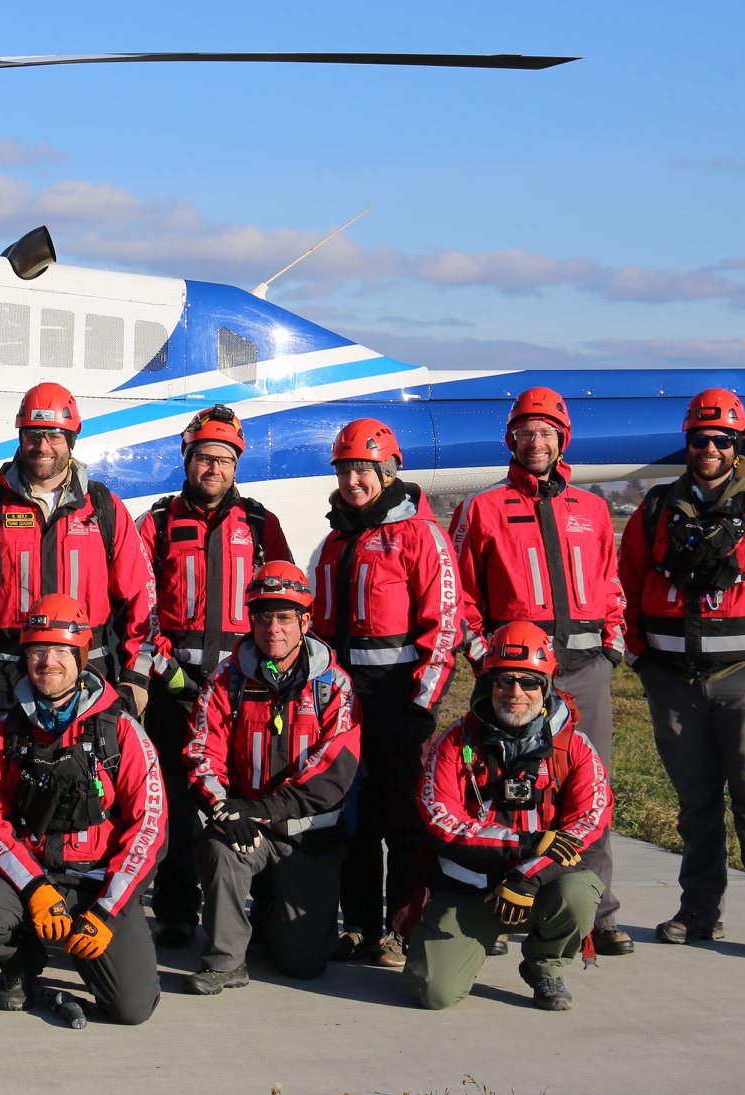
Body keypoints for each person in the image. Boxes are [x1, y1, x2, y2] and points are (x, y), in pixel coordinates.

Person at [618, 388, 745, 961]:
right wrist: (641, 657)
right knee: (696, 803)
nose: (708, 447)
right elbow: (624, 586)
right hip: (674, 683)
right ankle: (698, 912)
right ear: (687, 443)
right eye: (699, 439)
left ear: (737, 445)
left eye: (720, 440)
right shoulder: (656, 509)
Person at [448, 387, 631, 957]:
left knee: (588, 785)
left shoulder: (593, 508)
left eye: (547, 432)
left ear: (562, 440)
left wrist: (613, 642)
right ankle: (496, 904)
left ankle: (596, 912)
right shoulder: (481, 508)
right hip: (514, 678)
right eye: (526, 432)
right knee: (499, 787)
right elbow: (460, 594)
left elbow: (610, 580)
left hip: (582, 668)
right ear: (511, 439)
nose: (536, 441)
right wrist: (482, 654)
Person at [0, 594, 166, 1025]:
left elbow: (150, 829)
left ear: (81, 656)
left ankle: (88, 943)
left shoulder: (122, 731)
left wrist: (106, 911)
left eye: (60, 651)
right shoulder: (2, 733)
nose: (47, 661)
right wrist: (34, 889)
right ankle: (23, 965)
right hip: (35, 879)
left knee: (131, 1009)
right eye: (36, 650)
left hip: (98, 885)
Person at [0, 382, 160, 753]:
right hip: (2, 677)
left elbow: (140, 599)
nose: (42, 446)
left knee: (85, 793)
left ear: (71, 440)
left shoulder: (103, 509)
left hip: (87, 676)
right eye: (33, 435)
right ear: (20, 437)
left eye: (54, 435)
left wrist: (136, 675)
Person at [138, 405, 293, 944]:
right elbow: (140, 608)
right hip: (174, 687)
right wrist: (169, 673)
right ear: (188, 459)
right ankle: (177, 912)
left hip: (242, 688)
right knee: (179, 802)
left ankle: (257, 912)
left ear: (236, 466)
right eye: (205, 458)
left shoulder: (258, 523)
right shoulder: (156, 523)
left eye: (225, 460)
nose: (214, 469)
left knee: (247, 792)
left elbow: (284, 605)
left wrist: (263, 673)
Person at [310, 418, 461, 968]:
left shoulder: (421, 535)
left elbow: (445, 623)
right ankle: (359, 926)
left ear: (387, 470)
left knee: (403, 820)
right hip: (345, 704)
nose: (353, 479)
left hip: (400, 699)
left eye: (363, 469)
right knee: (353, 816)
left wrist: (421, 702)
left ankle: (400, 929)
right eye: (345, 469)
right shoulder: (333, 541)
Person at [406, 621, 611, 1011]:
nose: (516, 693)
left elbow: (589, 823)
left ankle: (544, 967)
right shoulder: (455, 742)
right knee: (432, 992)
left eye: (529, 682)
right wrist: (523, 844)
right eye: (504, 681)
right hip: (472, 886)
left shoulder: (576, 747)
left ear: (547, 685)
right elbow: (439, 819)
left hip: (541, 884)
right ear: (489, 685)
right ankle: (480, 936)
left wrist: (527, 875)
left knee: (580, 891)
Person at [180, 562, 358, 994]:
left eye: (283, 617)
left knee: (301, 964)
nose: (272, 628)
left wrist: (258, 810)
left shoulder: (334, 685)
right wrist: (225, 809)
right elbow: (201, 751)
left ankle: (271, 915)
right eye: (262, 617)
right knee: (220, 849)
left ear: (305, 622)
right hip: (246, 831)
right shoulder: (227, 678)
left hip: (307, 840)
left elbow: (333, 771)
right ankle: (225, 961)